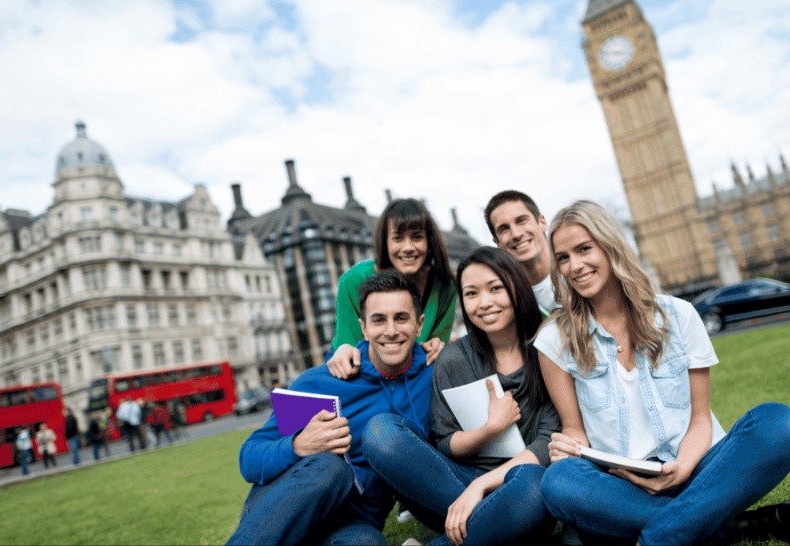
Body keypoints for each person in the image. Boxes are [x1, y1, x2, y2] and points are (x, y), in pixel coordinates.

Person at [534, 200, 790, 545]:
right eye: (563, 257)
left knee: (780, 423)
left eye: (583, 249)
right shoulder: (554, 339)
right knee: (558, 480)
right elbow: (575, 430)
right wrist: (568, 448)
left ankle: (666, 533)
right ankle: (722, 527)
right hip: (623, 486)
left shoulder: (678, 315)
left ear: (610, 246)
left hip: (696, 467)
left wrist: (681, 468)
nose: (574, 266)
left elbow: (700, 419)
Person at [364, 247, 560, 545]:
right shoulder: (454, 358)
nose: (484, 303)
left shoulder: (547, 350)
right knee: (380, 431)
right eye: (471, 294)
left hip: (520, 485)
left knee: (534, 485)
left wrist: (481, 487)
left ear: (516, 287)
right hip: (452, 489)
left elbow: (547, 446)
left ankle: (482, 530)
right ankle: (495, 525)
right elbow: (445, 442)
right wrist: (490, 429)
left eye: (495, 288)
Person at [227, 271, 436, 545]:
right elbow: (249, 458)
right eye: (378, 320)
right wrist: (297, 445)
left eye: (401, 318)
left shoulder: (435, 375)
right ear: (363, 328)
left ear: (419, 325)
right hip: (287, 509)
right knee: (330, 467)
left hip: (352, 524)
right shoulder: (320, 382)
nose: (391, 330)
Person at [327, 198, 458, 378]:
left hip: (415, 372)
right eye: (398, 238)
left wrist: (437, 345)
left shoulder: (444, 284)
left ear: (429, 242)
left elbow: (437, 342)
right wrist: (344, 351)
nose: (408, 248)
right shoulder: (354, 280)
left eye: (417, 237)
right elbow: (347, 345)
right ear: (385, 242)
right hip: (363, 372)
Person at [484, 190, 557, 315]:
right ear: (497, 242)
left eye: (521, 220)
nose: (516, 234)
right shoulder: (508, 303)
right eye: (504, 229)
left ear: (542, 223)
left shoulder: (581, 270)